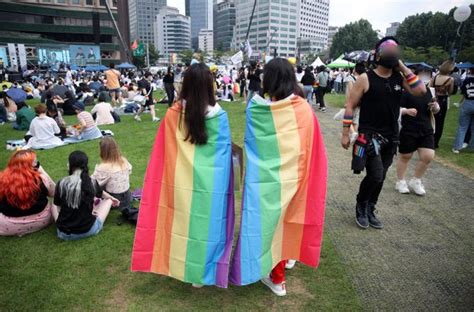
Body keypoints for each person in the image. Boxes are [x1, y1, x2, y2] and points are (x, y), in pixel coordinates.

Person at [230, 58, 327, 297]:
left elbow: (253, 145)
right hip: (294, 177)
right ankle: (286, 260)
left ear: (269, 79)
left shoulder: (257, 108)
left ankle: (277, 278)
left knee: (269, 226)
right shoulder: (303, 108)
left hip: (266, 180)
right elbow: (310, 146)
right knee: (286, 223)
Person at [131, 63, 234, 288]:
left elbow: (164, 153)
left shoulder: (174, 114)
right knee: (210, 225)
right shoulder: (219, 116)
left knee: (184, 223)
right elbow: (224, 154)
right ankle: (204, 268)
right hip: (212, 183)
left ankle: (187, 266)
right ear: (210, 86)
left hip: (181, 182)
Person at [341, 37, 426, 230]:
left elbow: (420, 91)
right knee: (376, 175)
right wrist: (346, 133)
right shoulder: (365, 78)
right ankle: (361, 205)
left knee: (382, 175)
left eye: (395, 51)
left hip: (392, 137)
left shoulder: (399, 78)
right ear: (377, 54)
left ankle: (371, 208)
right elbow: (350, 105)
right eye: (388, 51)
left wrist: (403, 68)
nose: (392, 54)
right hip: (369, 136)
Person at [52, 151, 119, 240]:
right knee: (108, 201)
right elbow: (100, 192)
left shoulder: (62, 183)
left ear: (71, 164)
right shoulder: (91, 182)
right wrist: (111, 198)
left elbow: (59, 209)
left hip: (64, 233)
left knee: (53, 204)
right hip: (88, 230)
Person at [395, 69, 440, 196]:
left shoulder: (430, 91)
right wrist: (406, 111)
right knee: (405, 156)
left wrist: (435, 107)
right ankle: (400, 181)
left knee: (428, 156)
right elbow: (395, 109)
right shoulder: (406, 92)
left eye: (428, 75)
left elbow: (435, 110)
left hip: (426, 128)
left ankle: (416, 180)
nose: (426, 77)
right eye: (423, 74)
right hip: (409, 128)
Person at [0, 150, 56, 236]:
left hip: (8, 227)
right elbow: (54, 193)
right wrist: (42, 171)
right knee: (55, 203)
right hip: (42, 221)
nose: (38, 164)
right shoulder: (41, 179)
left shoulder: (2, 180)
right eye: (36, 163)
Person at [92, 137, 132, 211]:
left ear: (102, 151)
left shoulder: (103, 167)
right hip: (128, 198)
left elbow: (92, 183)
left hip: (114, 200)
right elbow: (129, 172)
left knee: (91, 188)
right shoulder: (123, 160)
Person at [430, 60, 455, 148]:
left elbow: (430, 87)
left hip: (434, 99)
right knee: (440, 123)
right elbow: (450, 92)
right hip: (443, 100)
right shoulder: (450, 79)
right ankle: (435, 142)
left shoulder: (435, 77)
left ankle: (429, 139)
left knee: (432, 119)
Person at [452, 66, 474, 153]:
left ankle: (457, 147)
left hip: (468, 102)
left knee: (462, 127)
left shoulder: (467, 80)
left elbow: (463, 92)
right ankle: (472, 146)